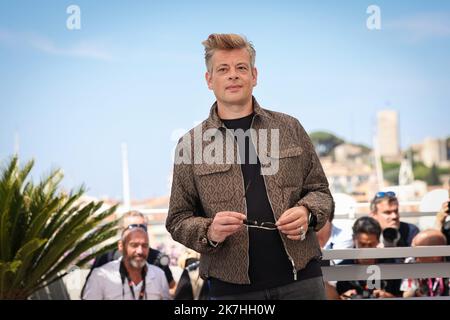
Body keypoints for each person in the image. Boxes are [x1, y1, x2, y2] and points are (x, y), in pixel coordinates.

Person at [166, 33, 334, 300]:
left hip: (302, 280)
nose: (233, 75)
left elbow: (321, 193)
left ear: (254, 76)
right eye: (223, 69)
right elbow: (177, 220)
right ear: (209, 80)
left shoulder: (290, 127)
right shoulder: (191, 144)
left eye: (241, 68)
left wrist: (308, 213)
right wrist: (208, 230)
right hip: (232, 291)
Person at [81, 211, 175, 298]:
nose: (139, 251)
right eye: (132, 227)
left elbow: (172, 287)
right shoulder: (105, 258)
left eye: (142, 227)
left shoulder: (157, 259)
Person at [336, 217, 402, 299]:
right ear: (354, 240)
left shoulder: (391, 266)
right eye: (362, 244)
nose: (366, 250)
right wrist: (342, 298)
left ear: (378, 241)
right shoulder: (342, 268)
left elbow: (402, 295)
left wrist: (389, 297)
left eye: (371, 245)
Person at [401, 229, 449, 298]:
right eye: (412, 248)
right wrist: (416, 291)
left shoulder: (447, 263)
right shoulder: (411, 261)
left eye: (417, 251)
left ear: (436, 255)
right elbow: (406, 295)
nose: (413, 255)